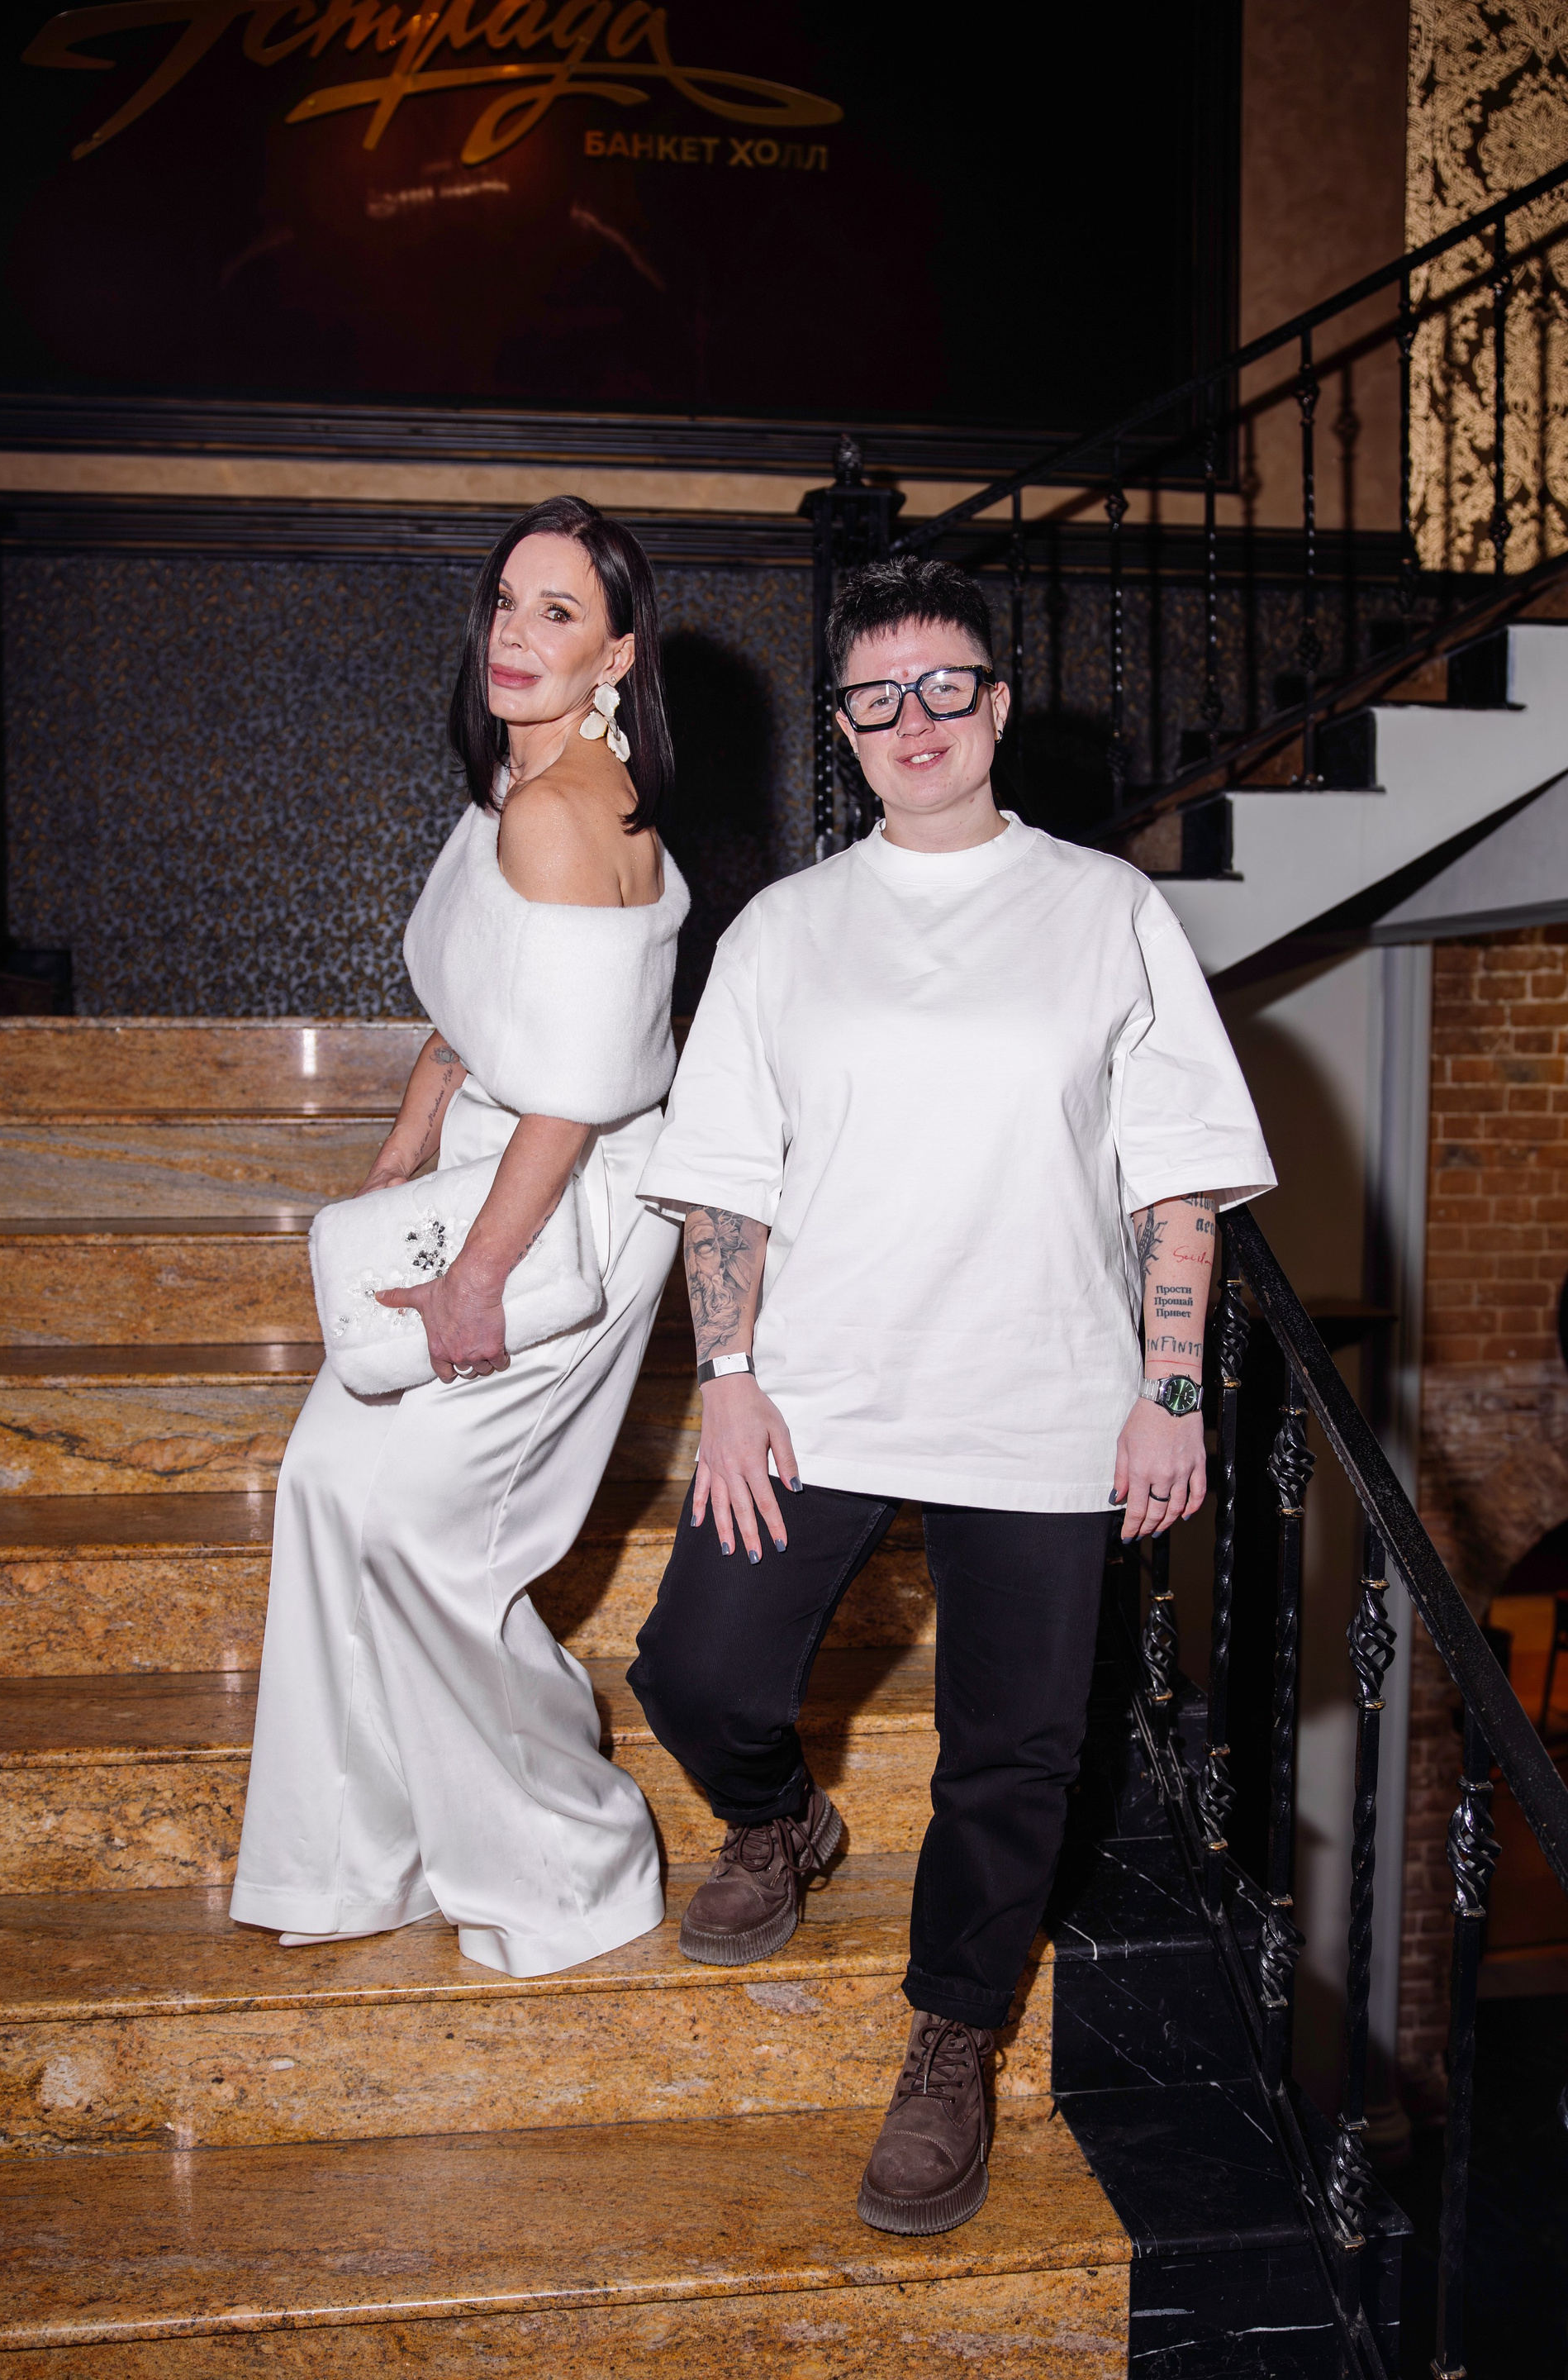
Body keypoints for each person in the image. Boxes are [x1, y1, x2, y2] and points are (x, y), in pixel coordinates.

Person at [628, 554, 1275, 2235]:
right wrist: (730, 1376)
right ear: (846, 730)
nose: (913, 720)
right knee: (694, 1669)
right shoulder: (787, 932)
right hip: (819, 1385)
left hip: (1044, 1394)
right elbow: (723, 1184)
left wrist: (1173, 1387)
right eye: (876, 697)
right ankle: (780, 1822)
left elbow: (1177, 1179)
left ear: (996, 703)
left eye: (944, 687)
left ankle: (953, 2037)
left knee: (1015, 1754)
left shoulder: (1106, 911)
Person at [231, 496, 689, 1978]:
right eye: (505, 600)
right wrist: (408, 1138)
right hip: (488, 1165)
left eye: (558, 612)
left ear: (616, 654)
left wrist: (476, 1276)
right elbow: (489, 1013)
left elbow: (570, 1095)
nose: (514, 632)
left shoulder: (561, 816)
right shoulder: (521, 778)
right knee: (325, 1480)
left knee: (424, 1536)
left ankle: (572, 1859)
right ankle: (352, 1854)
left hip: (559, 1206)